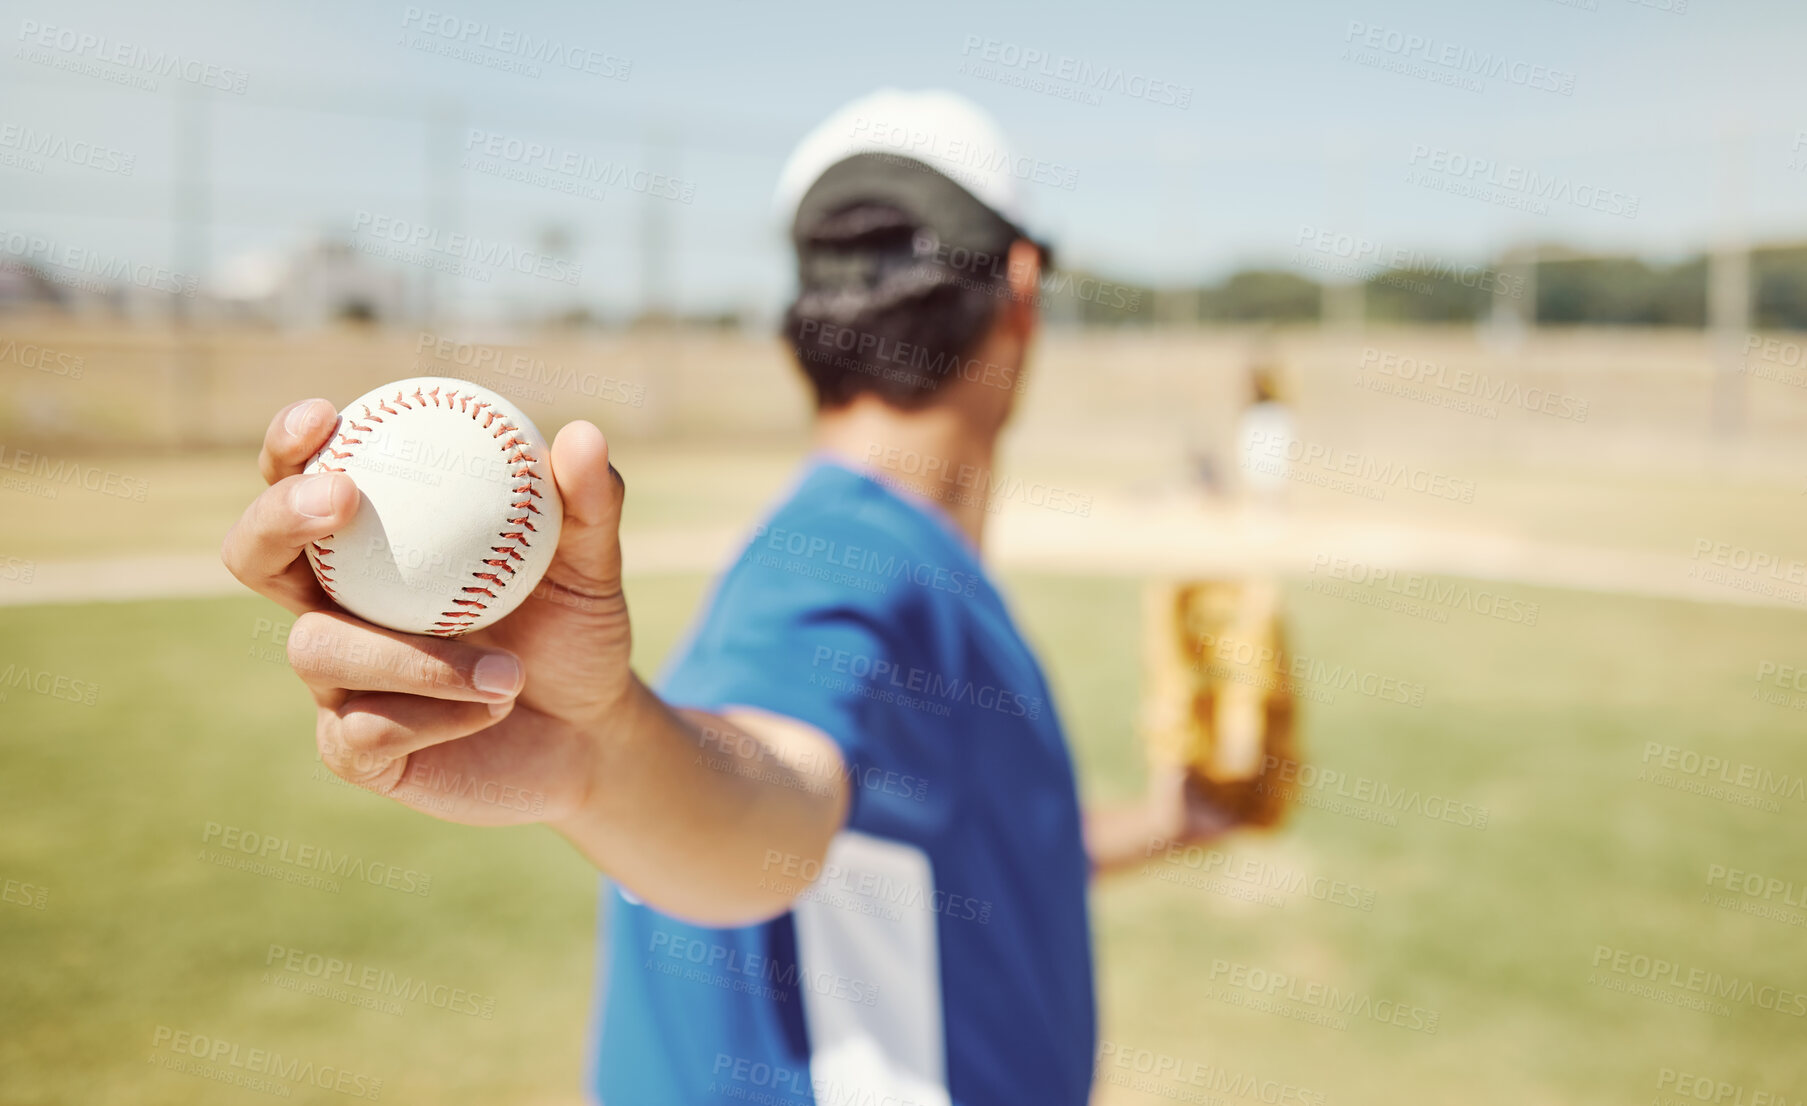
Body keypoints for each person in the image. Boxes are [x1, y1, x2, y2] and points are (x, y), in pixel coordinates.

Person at [220, 88, 1240, 1106]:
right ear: (1021, 286)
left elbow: (942, 863)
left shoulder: (896, 557)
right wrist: (596, 753)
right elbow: (767, 820)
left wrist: (1166, 819)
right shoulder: (842, 562)